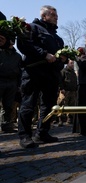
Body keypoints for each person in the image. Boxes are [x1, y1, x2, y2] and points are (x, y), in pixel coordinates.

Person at [16, 5, 67, 148]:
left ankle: (42, 133)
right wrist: (44, 54)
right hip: (33, 72)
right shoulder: (31, 28)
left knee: (49, 106)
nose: (57, 17)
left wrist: (62, 60)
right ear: (44, 16)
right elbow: (23, 44)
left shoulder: (57, 38)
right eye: (53, 15)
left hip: (50, 75)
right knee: (28, 104)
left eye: (57, 15)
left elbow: (58, 59)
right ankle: (25, 136)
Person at [0, 11, 22, 133]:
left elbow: (19, 71)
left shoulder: (17, 56)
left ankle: (6, 125)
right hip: (1, 79)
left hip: (12, 82)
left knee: (8, 106)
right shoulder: (1, 52)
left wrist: (18, 85)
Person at [58, 59, 78, 126]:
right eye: (71, 63)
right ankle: (60, 119)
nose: (72, 65)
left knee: (71, 106)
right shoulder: (63, 71)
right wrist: (61, 88)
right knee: (62, 105)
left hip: (73, 91)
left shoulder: (73, 72)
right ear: (67, 64)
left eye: (73, 63)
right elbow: (60, 80)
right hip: (65, 91)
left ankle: (69, 119)